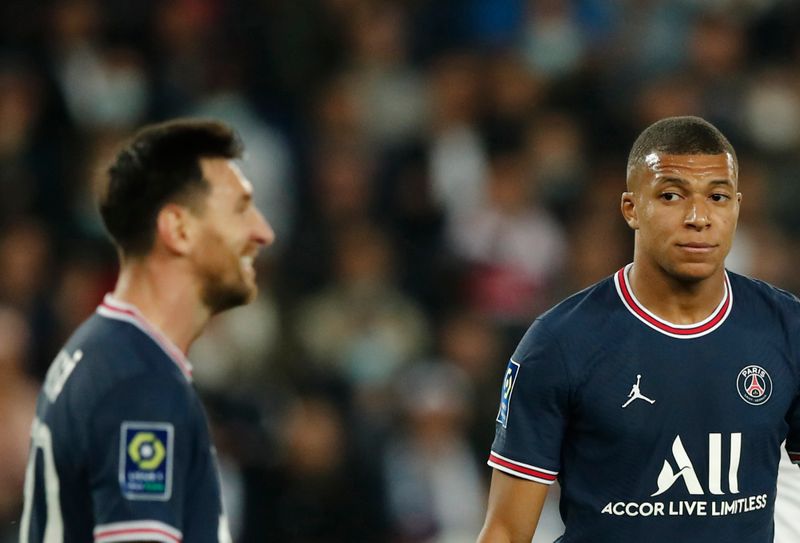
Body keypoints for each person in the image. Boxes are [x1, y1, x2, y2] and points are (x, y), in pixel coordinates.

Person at [477, 116, 800, 542]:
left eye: (718, 197)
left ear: (737, 206)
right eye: (671, 195)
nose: (699, 217)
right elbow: (505, 531)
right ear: (631, 208)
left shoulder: (787, 329)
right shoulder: (559, 344)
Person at [19, 119, 274, 543]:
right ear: (178, 229)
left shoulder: (106, 353)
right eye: (240, 208)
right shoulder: (140, 386)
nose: (263, 232)